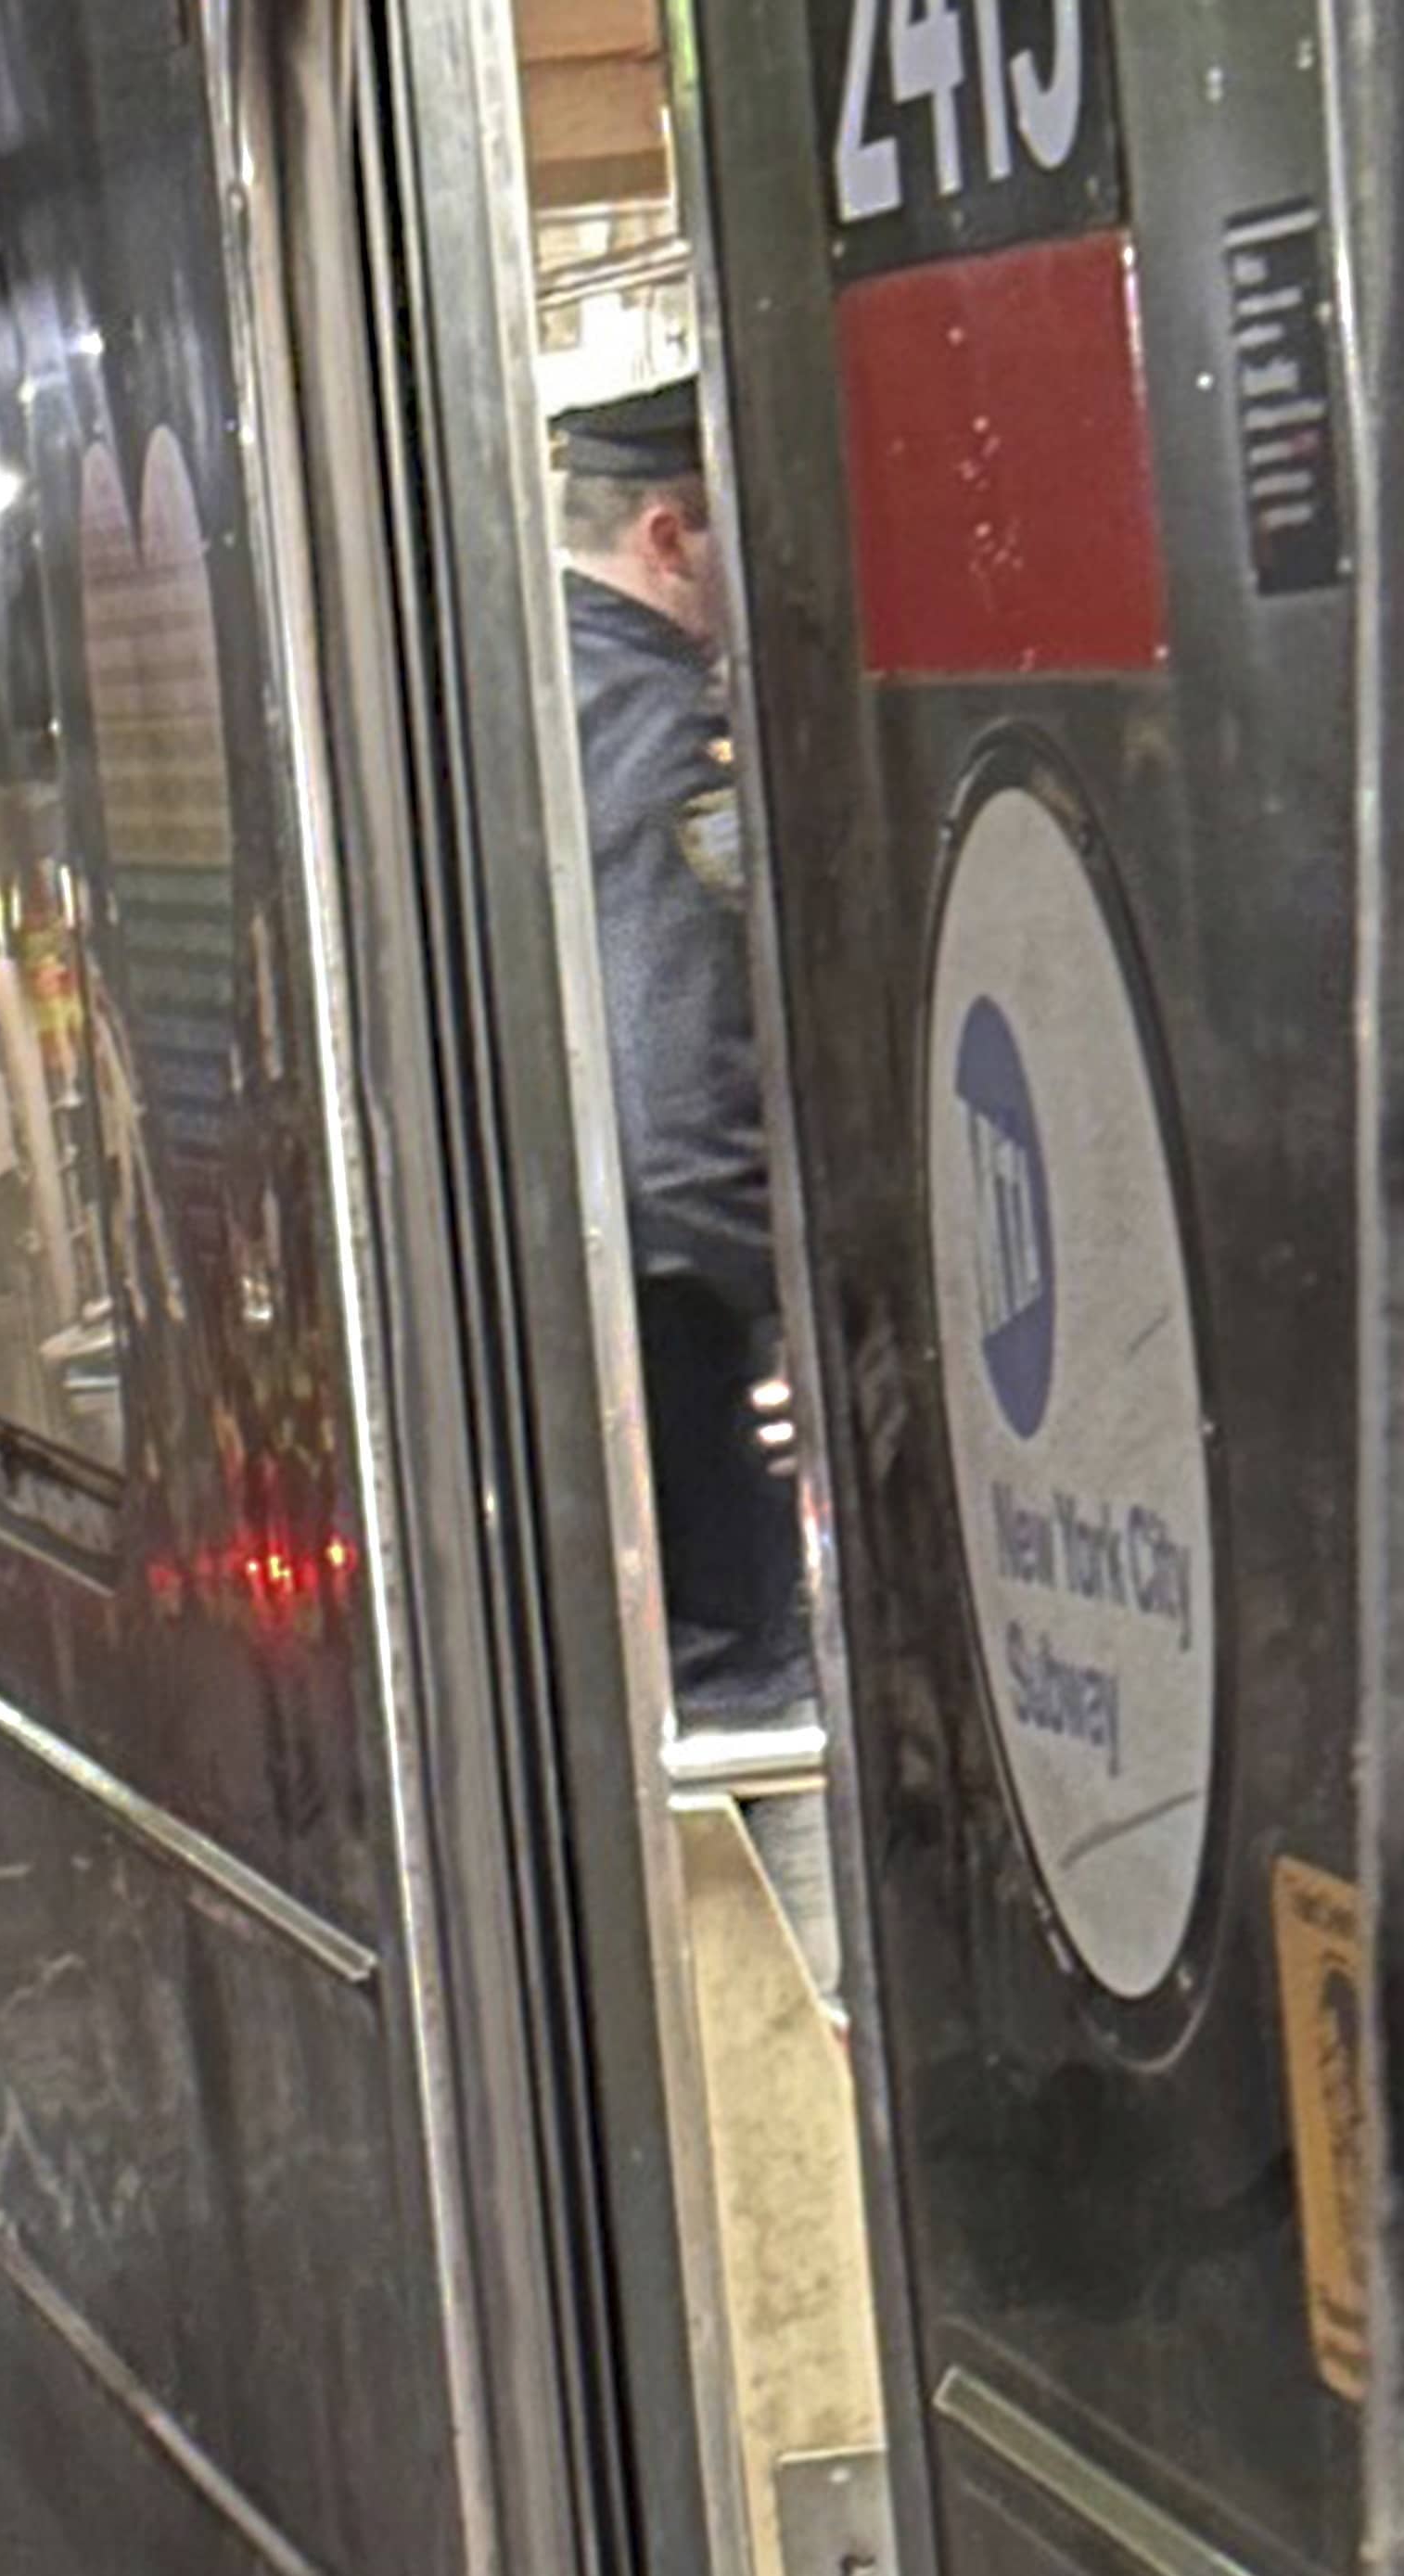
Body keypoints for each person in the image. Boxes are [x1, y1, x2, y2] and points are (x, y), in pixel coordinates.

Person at [556, 375, 813, 1726]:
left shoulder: (546, 690)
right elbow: (680, 1100)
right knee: (757, 1721)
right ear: (667, 537)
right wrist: (805, 1303)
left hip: (602, 1335)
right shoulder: (664, 735)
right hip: (696, 1352)